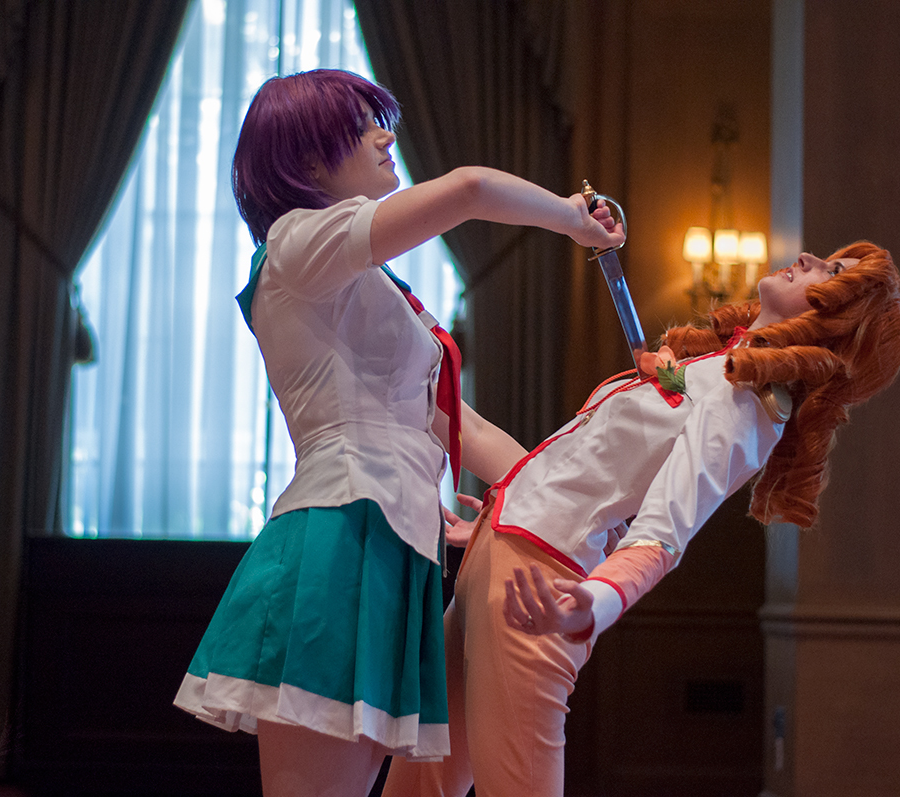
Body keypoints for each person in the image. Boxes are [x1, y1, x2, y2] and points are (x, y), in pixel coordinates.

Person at [171, 68, 622, 797]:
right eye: (362, 127)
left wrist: (572, 498)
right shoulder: (298, 241)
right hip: (340, 535)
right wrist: (571, 217)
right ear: (307, 158)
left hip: (388, 544)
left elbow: (461, 425)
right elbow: (470, 189)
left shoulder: (370, 285)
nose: (386, 138)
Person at [382, 241, 900, 797]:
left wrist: (593, 603)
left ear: (840, 327)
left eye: (832, 271)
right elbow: (585, 463)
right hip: (502, 563)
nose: (807, 258)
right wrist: (502, 516)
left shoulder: (744, 404)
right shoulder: (713, 368)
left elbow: (664, 533)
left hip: (538, 594)